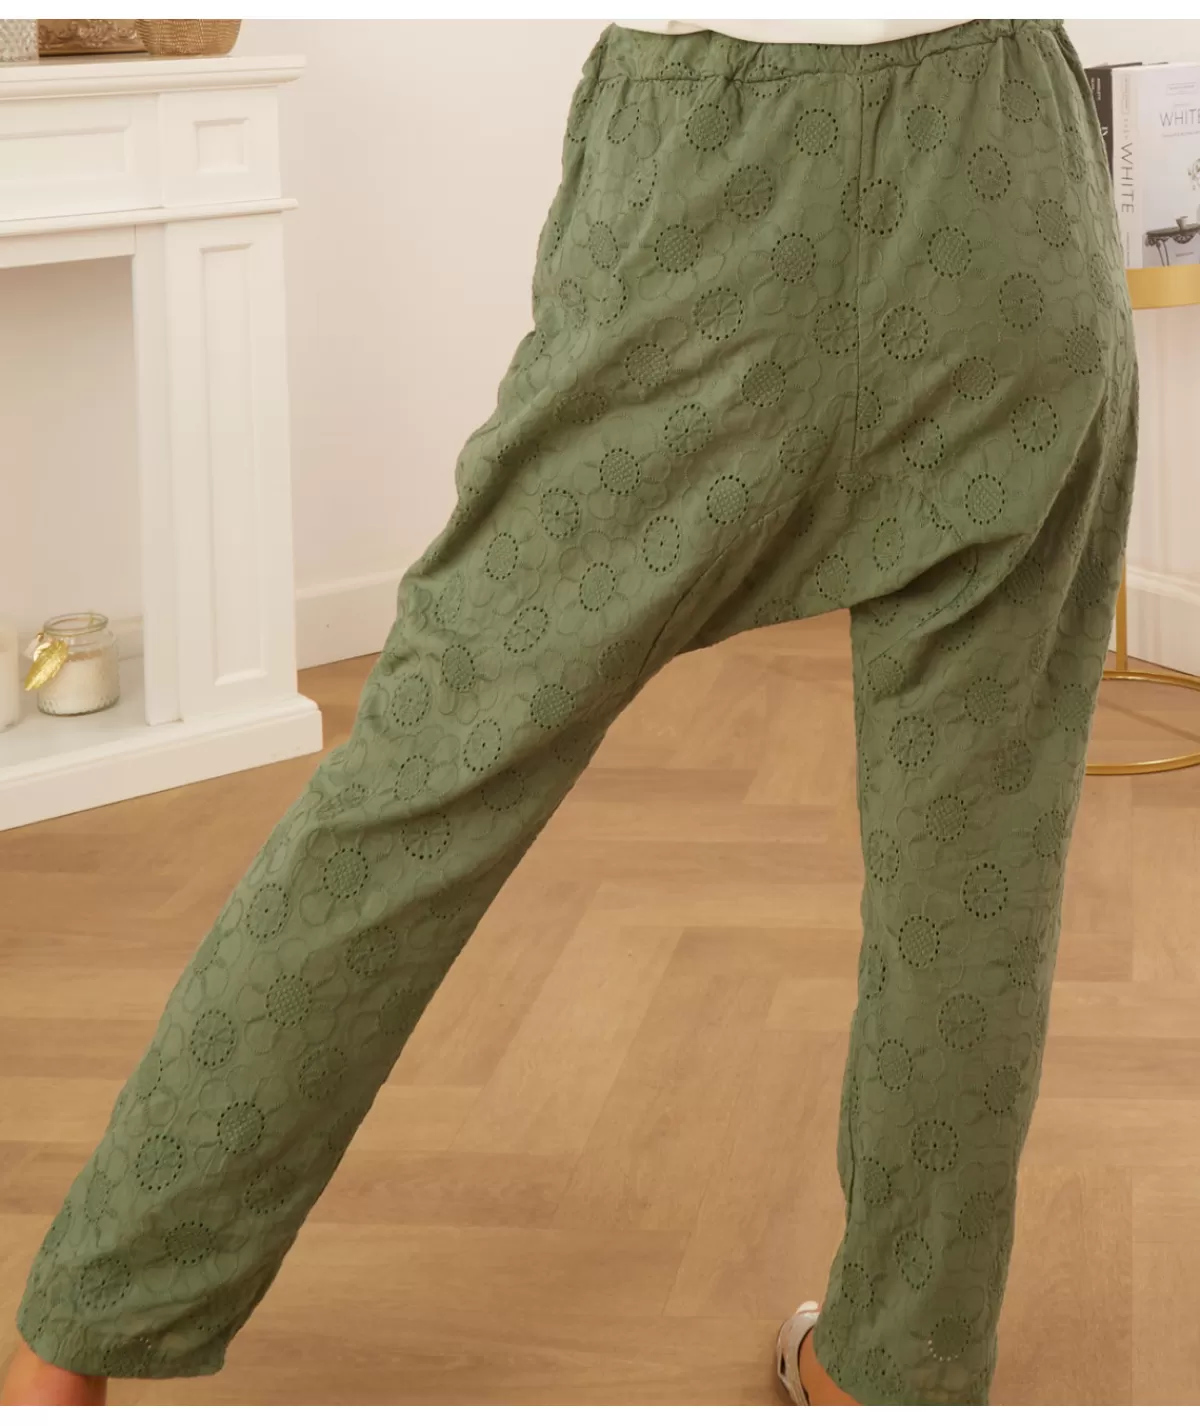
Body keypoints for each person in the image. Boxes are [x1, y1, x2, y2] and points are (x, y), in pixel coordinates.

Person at [1, 17, 1137, 1408]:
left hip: (708, 187)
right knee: (976, 867)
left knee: (412, 797)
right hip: (1010, 195)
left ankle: (70, 1346)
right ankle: (897, 1363)